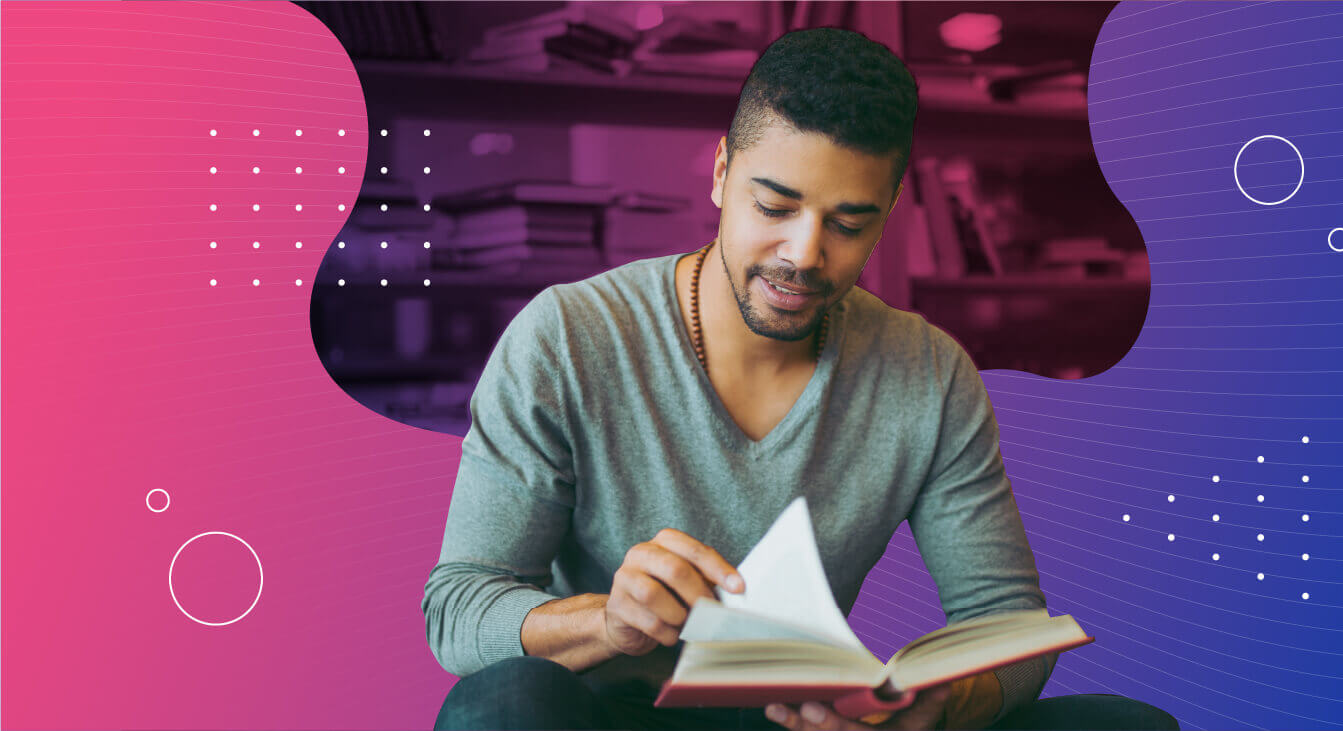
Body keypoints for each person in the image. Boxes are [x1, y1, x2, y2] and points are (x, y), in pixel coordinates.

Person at [423, 27, 1179, 731]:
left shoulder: (929, 373)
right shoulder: (566, 336)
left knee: (1122, 722)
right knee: (503, 700)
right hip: (612, 711)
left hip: (807, 719)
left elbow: (1007, 618)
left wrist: (937, 704)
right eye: (774, 205)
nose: (804, 254)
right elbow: (459, 607)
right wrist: (606, 622)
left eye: (848, 223)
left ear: (887, 213)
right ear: (722, 173)